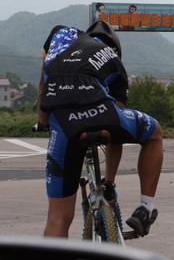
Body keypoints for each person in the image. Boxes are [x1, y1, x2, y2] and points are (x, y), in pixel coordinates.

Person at [36, 21, 164, 238]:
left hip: (63, 124)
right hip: (103, 113)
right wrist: (109, 181)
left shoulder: (61, 34)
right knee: (154, 134)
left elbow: (44, 82)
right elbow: (117, 131)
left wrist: (44, 122)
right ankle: (146, 208)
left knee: (57, 218)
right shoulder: (113, 59)